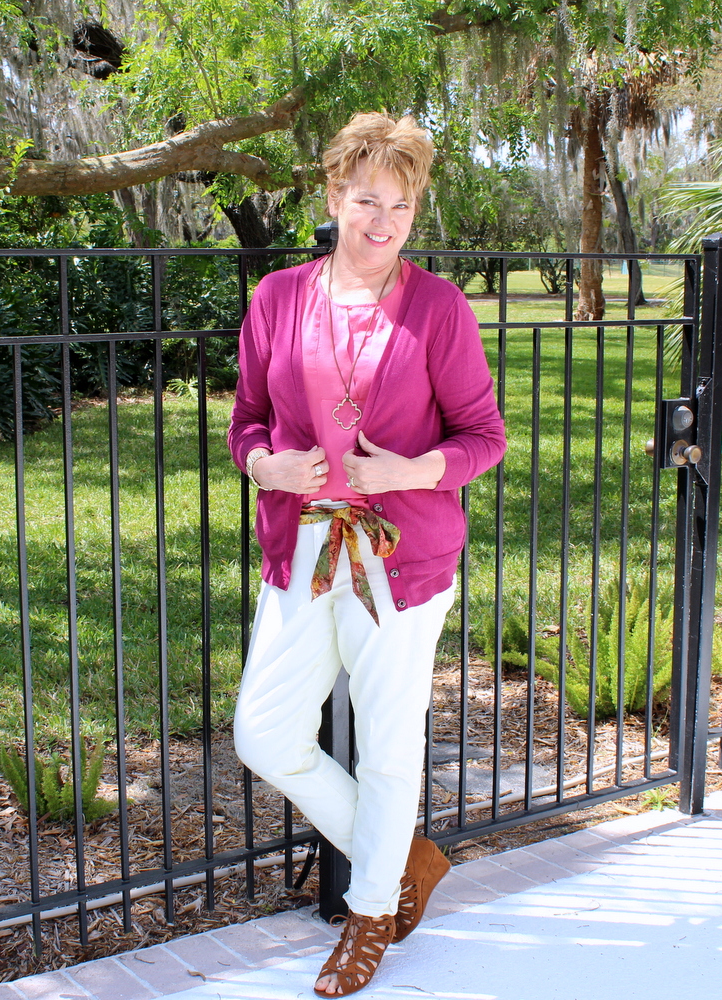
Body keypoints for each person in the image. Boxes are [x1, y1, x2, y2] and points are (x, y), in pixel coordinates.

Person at [228, 112, 507, 997]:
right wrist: (264, 462)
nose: (381, 222)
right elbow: (246, 425)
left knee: (389, 746)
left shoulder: (439, 309)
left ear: (415, 212)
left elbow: (484, 436)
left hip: (402, 554)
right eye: (365, 200)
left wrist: (416, 467)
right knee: (264, 730)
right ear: (334, 197)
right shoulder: (277, 297)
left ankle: (371, 913)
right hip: (305, 544)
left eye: (400, 205)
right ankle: (404, 857)